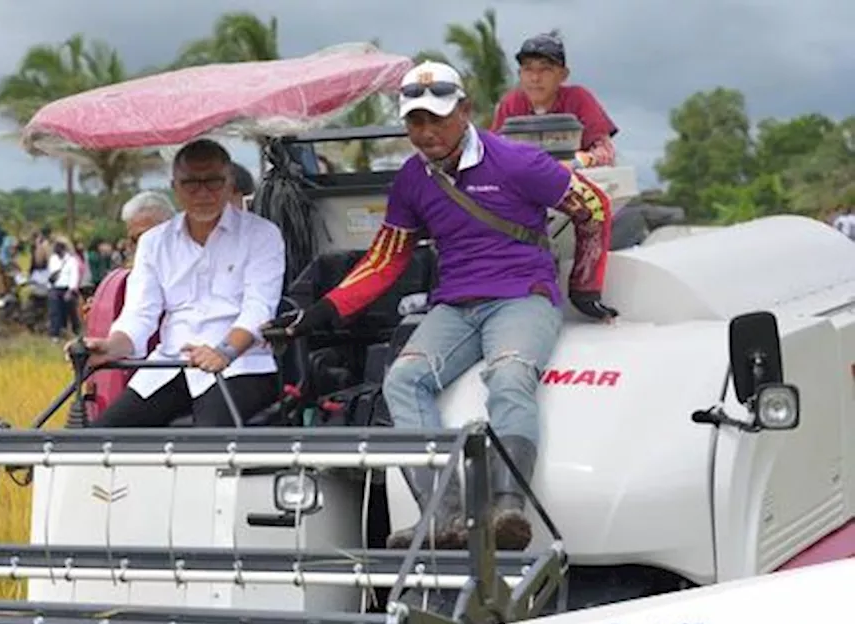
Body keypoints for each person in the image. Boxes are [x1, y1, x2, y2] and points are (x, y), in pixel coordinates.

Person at [264, 61, 618, 552]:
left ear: (465, 112)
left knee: (510, 375)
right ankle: (444, 515)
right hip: (455, 306)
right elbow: (384, 260)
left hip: (522, 297)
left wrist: (584, 283)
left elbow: (593, 207)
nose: (426, 132)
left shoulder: (516, 161)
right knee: (402, 380)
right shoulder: (412, 180)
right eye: (415, 121)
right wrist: (317, 315)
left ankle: (507, 507)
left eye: (437, 118)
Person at [76, 138, 286, 427]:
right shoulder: (154, 242)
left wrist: (224, 351)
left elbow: (259, 308)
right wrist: (111, 347)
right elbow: (140, 314)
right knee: (102, 439)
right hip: (168, 365)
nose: (202, 193)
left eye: (213, 182)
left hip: (241, 366)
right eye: (191, 184)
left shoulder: (262, 234)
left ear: (229, 184)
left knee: (206, 446)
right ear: (174, 188)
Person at [492, 32, 619, 170]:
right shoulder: (511, 104)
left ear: (563, 75)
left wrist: (570, 165)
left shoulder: (579, 98)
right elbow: (493, 152)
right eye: (528, 69)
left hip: (575, 182)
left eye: (545, 69)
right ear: (520, 74)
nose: (535, 78)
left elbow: (604, 152)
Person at [47, 239, 82, 339]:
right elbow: (51, 275)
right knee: (55, 311)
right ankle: (55, 334)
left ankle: (76, 331)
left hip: (67, 288)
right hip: (55, 288)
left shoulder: (71, 260)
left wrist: (71, 290)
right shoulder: (53, 259)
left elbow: (74, 275)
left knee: (71, 312)